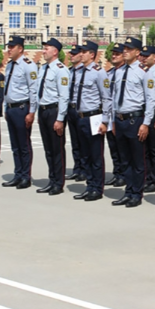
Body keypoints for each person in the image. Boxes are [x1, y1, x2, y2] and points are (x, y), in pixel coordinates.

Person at [111, 37, 154, 207]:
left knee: (137, 159)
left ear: (137, 52)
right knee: (125, 159)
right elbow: (115, 97)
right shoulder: (119, 71)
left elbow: (151, 100)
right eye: (124, 49)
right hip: (120, 119)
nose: (125, 52)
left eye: (129, 49)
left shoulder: (144, 72)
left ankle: (136, 193)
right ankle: (128, 192)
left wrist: (146, 123)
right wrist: (113, 119)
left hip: (135, 119)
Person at [71, 41, 112, 202]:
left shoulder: (99, 72)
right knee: (85, 155)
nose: (81, 54)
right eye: (80, 51)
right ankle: (89, 186)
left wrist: (105, 121)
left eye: (84, 51)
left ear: (92, 54)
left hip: (94, 118)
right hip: (80, 117)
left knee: (95, 155)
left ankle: (97, 188)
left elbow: (106, 98)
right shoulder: (79, 71)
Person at [1, 36, 38, 189]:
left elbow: (33, 90)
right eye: (8, 47)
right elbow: (6, 89)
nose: (9, 49)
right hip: (11, 108)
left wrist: (32, 112)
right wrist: (5, 107)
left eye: (12, 47)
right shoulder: (9, 65)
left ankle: (25, 176)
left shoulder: (28, 65)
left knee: (23, 145)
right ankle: (17, 174)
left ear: (20, 49)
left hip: (22, 108)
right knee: (15, 145)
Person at [36, 38, 70, 195]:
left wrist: (60, 118)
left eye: (47, 48)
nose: (44, 51)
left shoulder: (61, 70)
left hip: (54, 111)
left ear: (55, 51)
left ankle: (58, 183)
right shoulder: (43, 69)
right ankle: (52, 180)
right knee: (48, 149)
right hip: (43, 111)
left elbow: (64, 96)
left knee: (57, 149)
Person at [139, 45, 155, 193]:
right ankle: (148, 178)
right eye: (143, 55)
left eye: (147, 56)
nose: (144, 58)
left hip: (154, 113)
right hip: (146, 112)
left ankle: (154, 180)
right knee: (145, 149)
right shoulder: (146, 73)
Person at [104, 43, 126, 187]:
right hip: (110, 115)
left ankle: (124, 175)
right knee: (113, 147)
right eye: (113, 53)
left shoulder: (125, 72)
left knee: (122, 148)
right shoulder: (109, 73)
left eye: (117, 53)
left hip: (121, 116)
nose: (114, 56)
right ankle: (117, 172)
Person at [65, 45, 86, 181]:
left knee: (83, 141)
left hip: (81, 109)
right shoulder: (69, 72)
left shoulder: (85, 71)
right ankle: (77, 168)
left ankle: (84, 169)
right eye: (70, 54)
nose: (71, 56)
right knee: (74, 141)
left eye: (74, 54)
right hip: (70, 108)